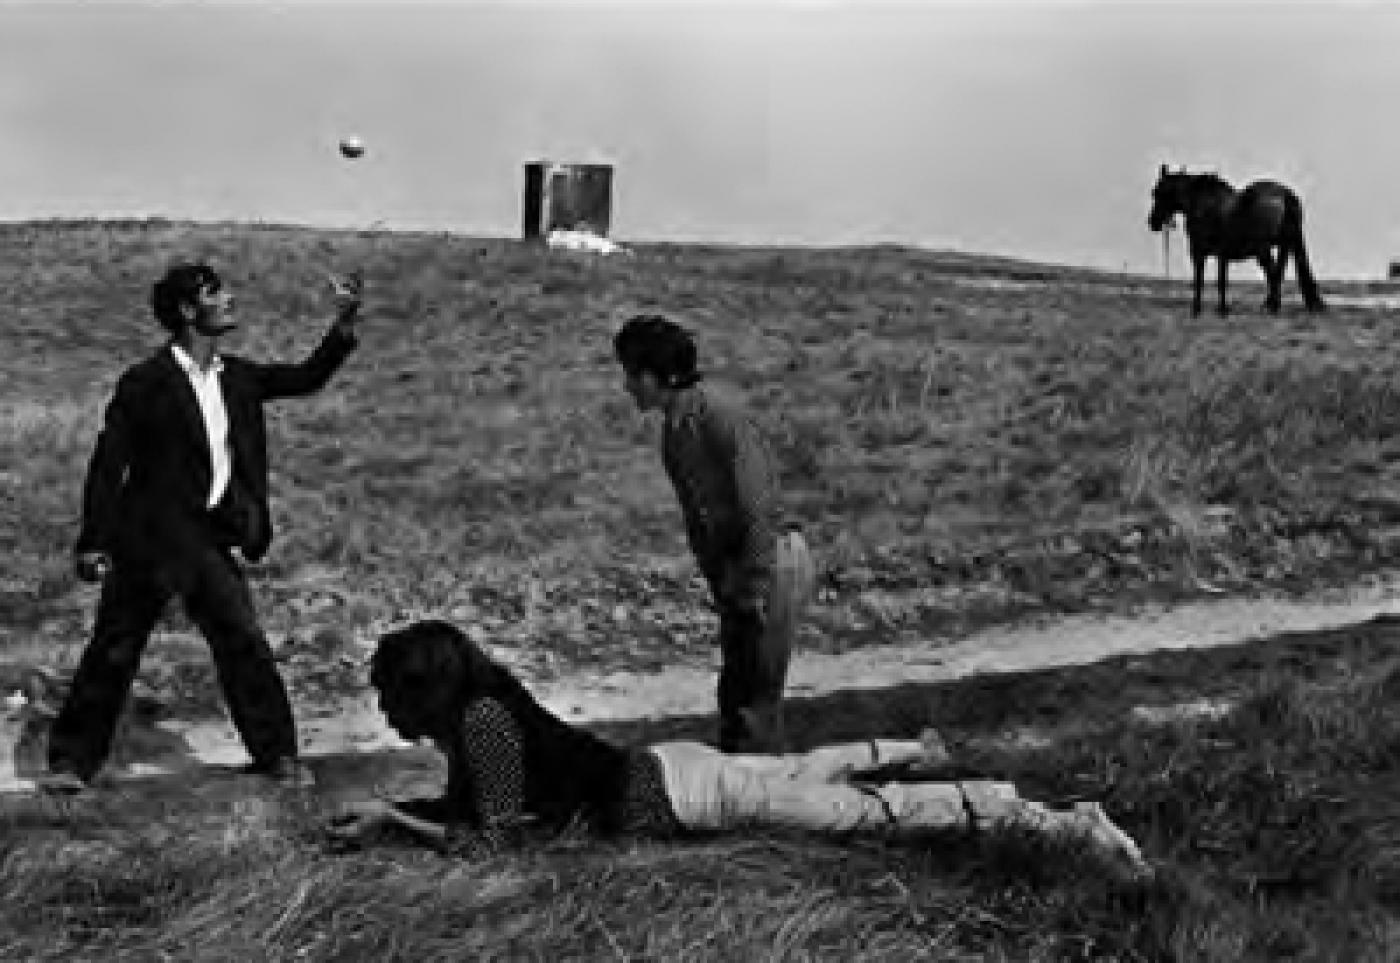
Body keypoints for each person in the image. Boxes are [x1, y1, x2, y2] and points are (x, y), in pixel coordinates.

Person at [327, 620, 1149, 877]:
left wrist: (396, 822)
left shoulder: (483, 725)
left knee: (866, 819)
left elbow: (496, 839)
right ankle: (914, 747)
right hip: (671, 767)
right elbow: (485, 810)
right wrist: (396, 813)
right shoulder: (489, 709)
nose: (388, 715)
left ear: (423, 690)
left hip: (684, 798)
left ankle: (1058, 821)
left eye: (391, 698)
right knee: (803, 773)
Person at [39, 262, 364, 793]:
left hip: (209, 538)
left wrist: (344, 323)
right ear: (188, 311)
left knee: (243, 641)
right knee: (115, 649)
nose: (231, 299)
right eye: (217, 293)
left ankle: (277, 756)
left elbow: (306, 377)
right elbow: (109, 464)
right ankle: (70, 765)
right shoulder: (146, 382)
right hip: (148, 539)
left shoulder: (238, 379)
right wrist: (94, 540)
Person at [612, 316, 814, 753]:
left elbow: (758, 505)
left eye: (634, 375)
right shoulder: (673, 433)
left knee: (757, 697)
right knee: (736, 689)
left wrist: (755, 584)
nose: (628, 386)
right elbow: (697, 518)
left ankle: (769, 798)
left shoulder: (720, 418)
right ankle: (740, 787)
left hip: (772, 556)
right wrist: (722, 582)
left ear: (660, 376)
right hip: (738, 566)